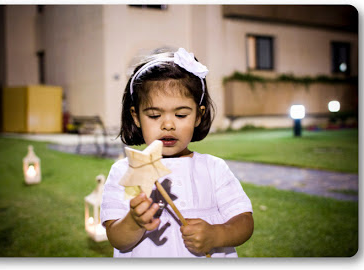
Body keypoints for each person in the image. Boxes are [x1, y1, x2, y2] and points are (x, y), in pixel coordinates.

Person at [101, 47, 253, 257]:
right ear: (136, 117)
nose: (168, 125)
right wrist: (134, 222)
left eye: (181, 115)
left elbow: (244, 221)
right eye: (154, 115)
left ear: (198, 116)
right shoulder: (123, 172)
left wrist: (217, 235)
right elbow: (117, 240)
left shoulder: (213, 168)